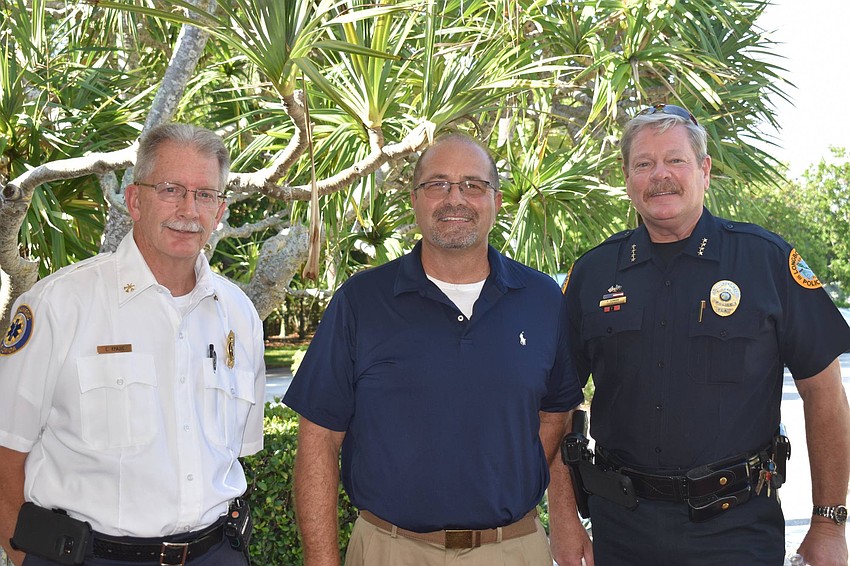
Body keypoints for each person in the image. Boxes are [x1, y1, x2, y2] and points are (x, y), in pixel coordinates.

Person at [283, 132, 592, 566]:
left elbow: (557, 414)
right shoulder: (362, 301)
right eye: (438, 184)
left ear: (496, 201)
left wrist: (507, 476)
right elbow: (318, 439)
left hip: (513, 550)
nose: (455, 198)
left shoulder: (541, 298)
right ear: (415, 200)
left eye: (472, 184)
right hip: (388, 550)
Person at [562, 103, 850, 565]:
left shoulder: (767, 262)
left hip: (736, 530)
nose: (660, 176)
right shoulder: (593, 275)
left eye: (675, 160)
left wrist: (828, 523)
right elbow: (558, 403)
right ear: (627, 176)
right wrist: (565, 517)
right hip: (621, 528)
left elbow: (825, 394)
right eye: (644, 164)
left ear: (704, 170)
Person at [0, 123, 266, 566]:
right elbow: (5, 449)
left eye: (205, 195)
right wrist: (24, 555)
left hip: (215, 553)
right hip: (89, 557)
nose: (188, 209)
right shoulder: (57, 306)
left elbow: (233, 453)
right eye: (170, 189)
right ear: (134, 200)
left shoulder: (238, 315)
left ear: (220, 211)